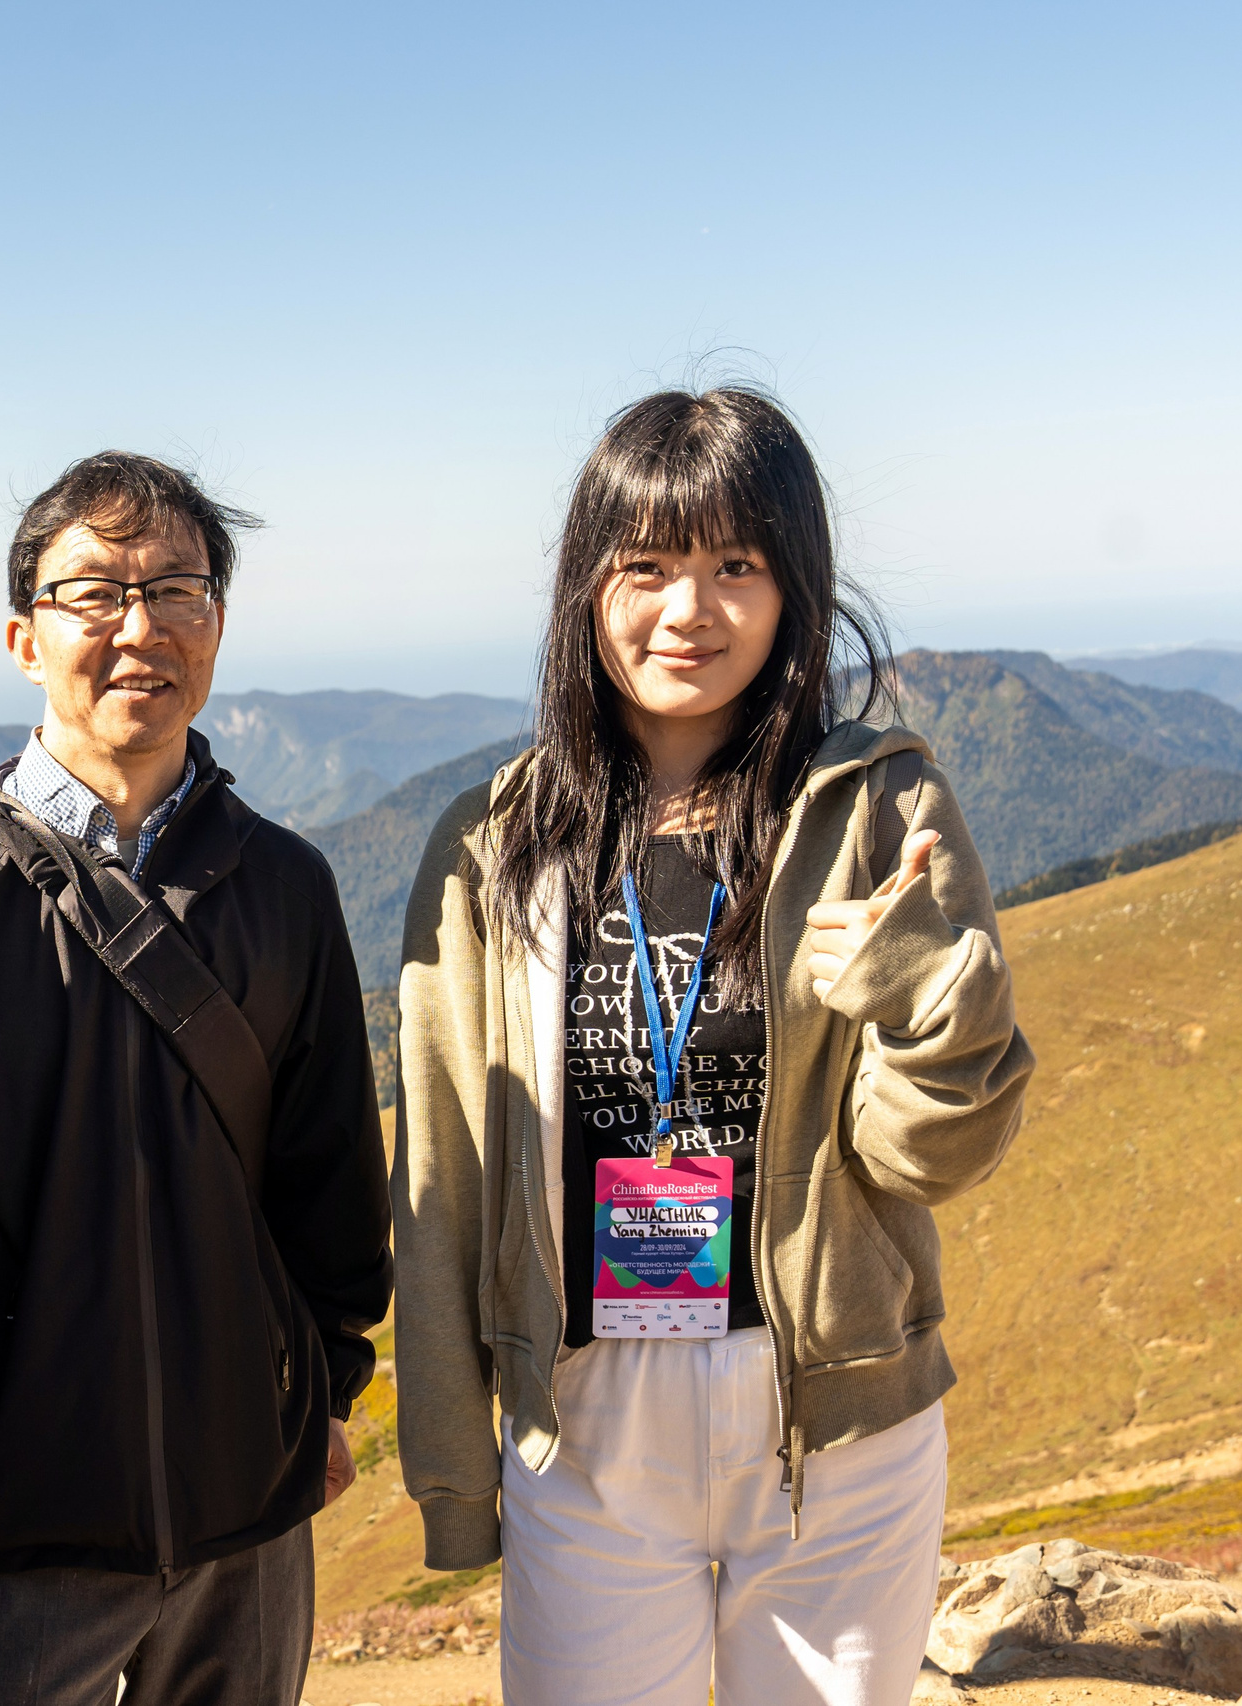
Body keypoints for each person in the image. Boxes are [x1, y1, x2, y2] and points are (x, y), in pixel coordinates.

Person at [392, 388, 1034, 1705]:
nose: (689, 610)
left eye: (737, 563)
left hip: (832, 1424)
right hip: (583, 1418)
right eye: (646, 565)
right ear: (586, 586)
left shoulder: (875, 804)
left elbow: (931, 1158)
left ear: (795, 586)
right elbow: (442, 1170)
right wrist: (453, 1468)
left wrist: (928, 996)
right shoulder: (494, 839)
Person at [0, 452, 394, 1706]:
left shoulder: (282, 885)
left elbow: (330, 1175)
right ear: (24, 639)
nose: (140, 628)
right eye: (95, 594)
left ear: (217, 625)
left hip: (247, 1513)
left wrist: (326, 1387)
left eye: (176, 590)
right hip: (16, 1526)